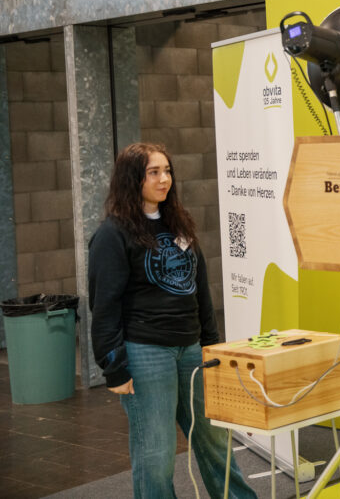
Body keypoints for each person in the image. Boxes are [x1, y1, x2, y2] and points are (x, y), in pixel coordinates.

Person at [88, 142, 256, 499]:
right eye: (154, 172)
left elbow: (200, 290)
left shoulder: (179, 223)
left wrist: (211, 345)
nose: (164, 179)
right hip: (146, 353)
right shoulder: (113, 234)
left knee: (215, 440)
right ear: (132, 178)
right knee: (157, 453)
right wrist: (113, 367)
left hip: (192, 351)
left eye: (167, 171)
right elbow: (104, 306)